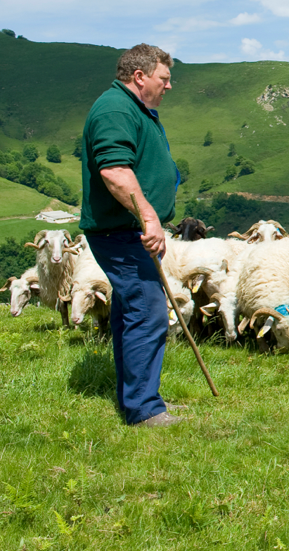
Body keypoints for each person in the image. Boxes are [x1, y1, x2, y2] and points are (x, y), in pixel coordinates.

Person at [80, 43, 183, 427]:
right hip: (123, 233)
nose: (168, 86)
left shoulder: (133, 109)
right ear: (139, 76)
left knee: (131, 312)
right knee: (148, 312)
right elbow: (114, 171)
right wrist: (149, 219)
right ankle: (145, 410)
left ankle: (137, 401)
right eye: (163, 78)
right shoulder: (115, 109)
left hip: (130, 230)